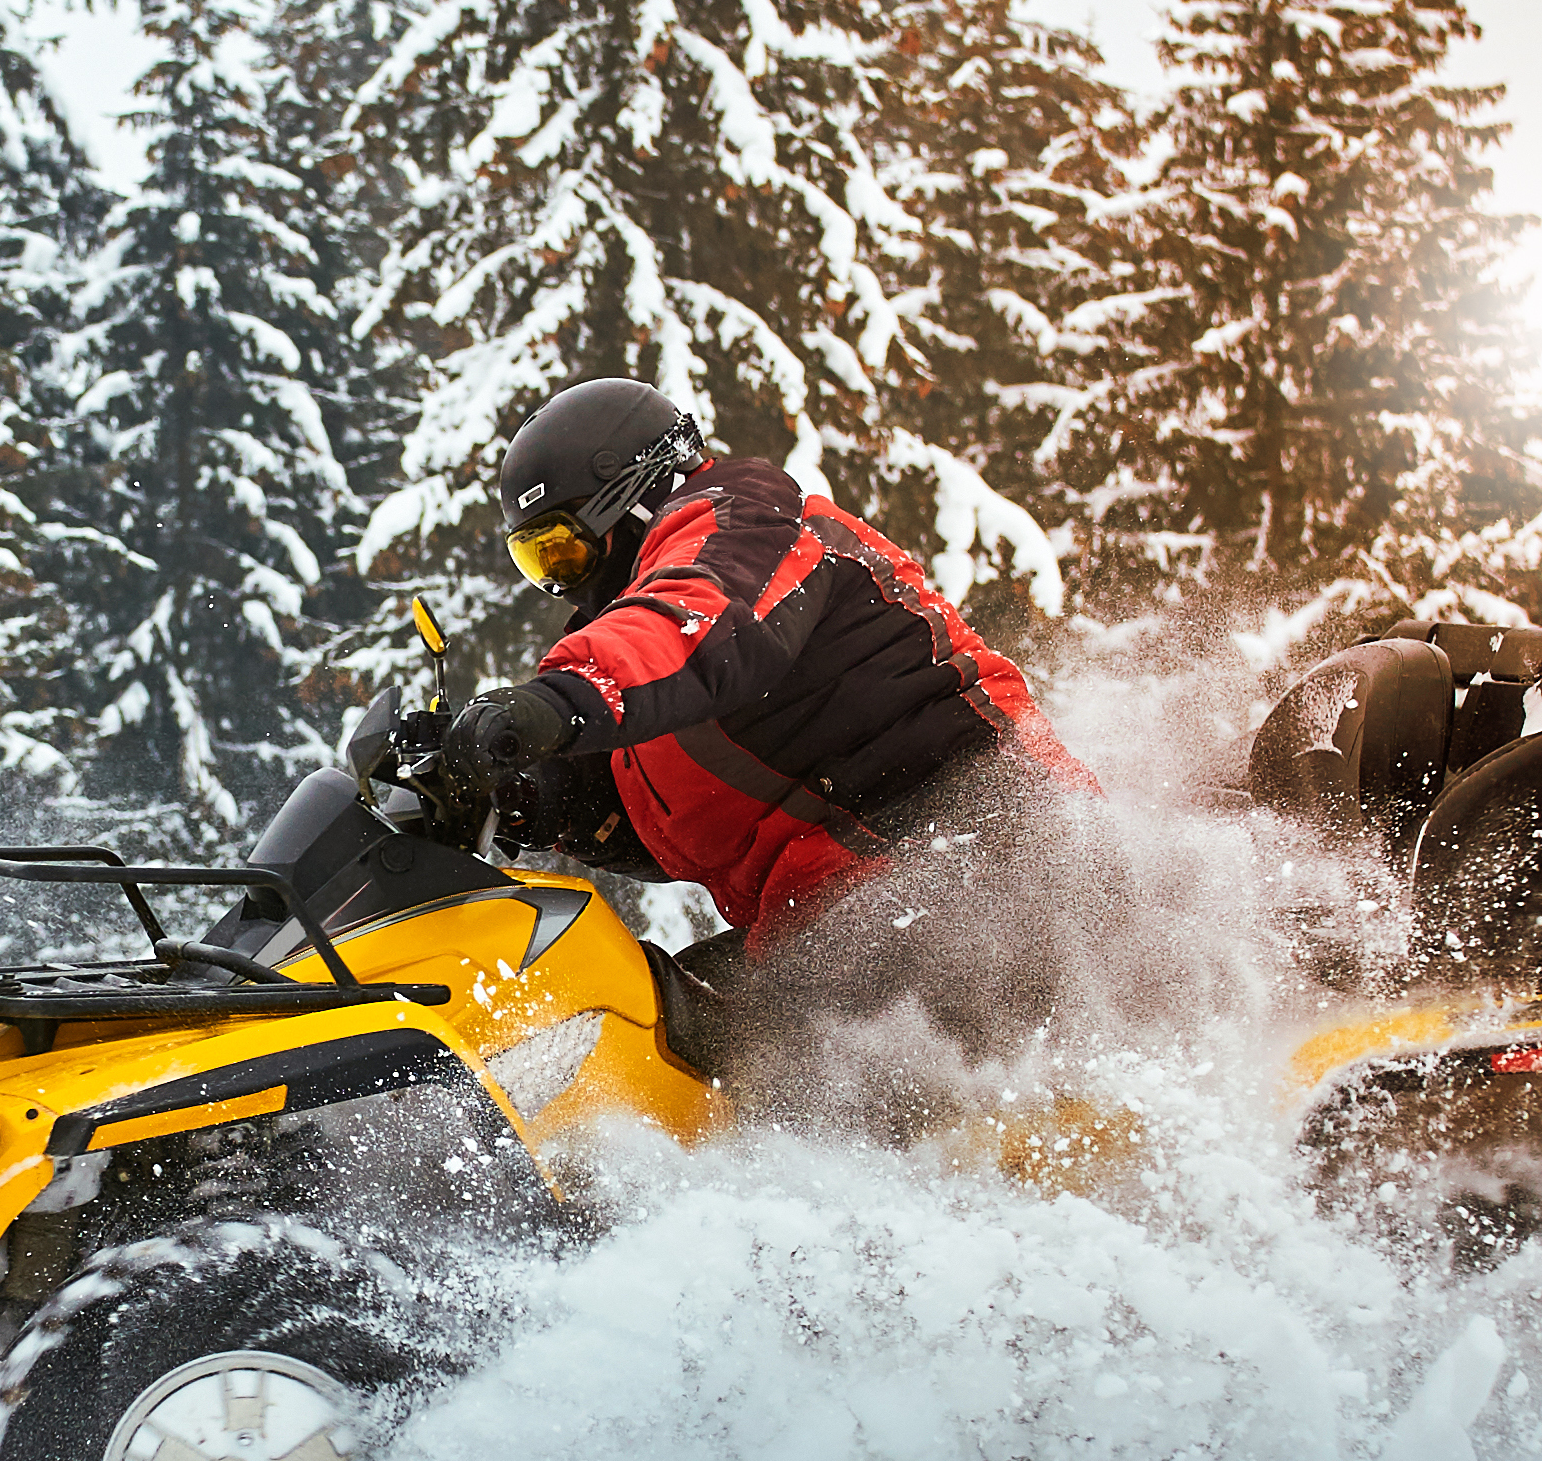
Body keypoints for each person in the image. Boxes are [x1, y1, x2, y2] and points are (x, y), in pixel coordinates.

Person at [433, 379, 1104, 1013]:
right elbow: (646, 804)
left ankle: (1035, 1121)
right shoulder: (649, 665)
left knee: (755, 1057)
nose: (560, 585)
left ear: (631, 498)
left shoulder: (748, 520)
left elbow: (696, 619)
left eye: (562, 551)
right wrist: (522, 794)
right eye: (536, 563)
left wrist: (550, 703)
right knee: (636, 1024)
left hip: (985, 852)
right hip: (845, 913)